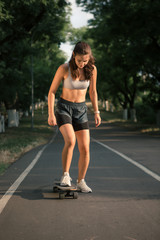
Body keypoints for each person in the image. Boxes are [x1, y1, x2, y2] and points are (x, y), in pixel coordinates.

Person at [48, 41, 101, 193]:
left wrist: (96, 112)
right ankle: (66, 175)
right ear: (73, 55)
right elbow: (51, 92)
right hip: (64, 108)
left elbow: (93, 92)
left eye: (85, 60)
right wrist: (51, 114)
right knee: (70, 141)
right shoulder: (64, 68)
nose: (82, 63)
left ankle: (81, 181)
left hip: (81, 110)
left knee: (85, 147)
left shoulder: (92, 69)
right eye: (79, 60)